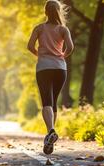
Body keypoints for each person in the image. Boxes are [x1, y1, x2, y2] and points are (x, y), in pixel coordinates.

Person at [27, 0, 74, 155]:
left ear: (45, 12)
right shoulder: (63, 29)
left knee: (47, 100)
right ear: (59, 11)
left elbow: (30, 46)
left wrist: (40, 55)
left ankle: (51, 131)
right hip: (61, 68)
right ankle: (50, 136)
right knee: (53, 102)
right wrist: (62, 56)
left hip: (44, 67)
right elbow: (70, 47)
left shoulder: (39, 28)